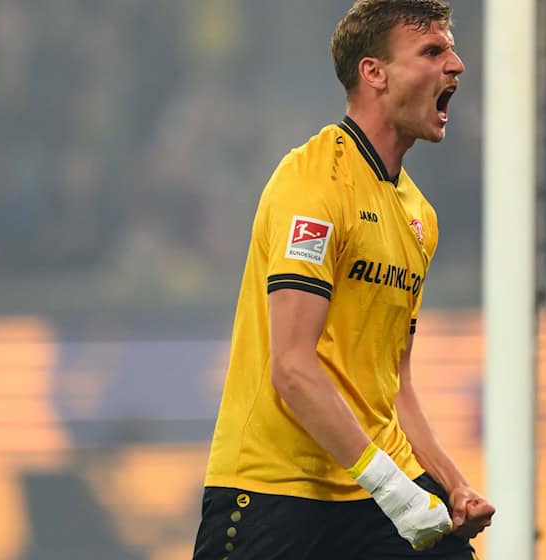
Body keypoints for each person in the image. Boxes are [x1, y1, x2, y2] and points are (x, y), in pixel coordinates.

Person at [193, 1, 495, 558]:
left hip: (378, 490)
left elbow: (393, 385)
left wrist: (452, 483)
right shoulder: (313, 182)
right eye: (432, 51)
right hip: (274, 491)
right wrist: (399, 496)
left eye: (451, 49)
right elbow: (291, 366)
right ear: (374, 73)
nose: (456, 64)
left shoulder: (419, 218)